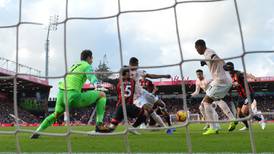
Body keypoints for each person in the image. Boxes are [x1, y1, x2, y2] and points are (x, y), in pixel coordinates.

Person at [31, 50, 111, 139]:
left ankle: (37, 131)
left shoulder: (74, 66)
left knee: (55, 114)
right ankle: (99, 126)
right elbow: (91, 76)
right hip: (72, 95)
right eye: (92, 58)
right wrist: (97, 84)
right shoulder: (86, 65)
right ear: (88, 58)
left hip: (61, 95)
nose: (92, 60)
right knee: (102, 95)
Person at [195, 39, 234, 135]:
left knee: (206, 102)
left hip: (220, 81)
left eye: (197, 48)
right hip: (224, 80)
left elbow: (214, 57)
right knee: (213, 101)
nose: (197, 50)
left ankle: (213, 127)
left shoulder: (209, 52)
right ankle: (231, 120)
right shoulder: (207, 53)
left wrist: (225, 66)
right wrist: (205, 62)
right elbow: (212, 60)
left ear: (201, 46)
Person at [129, 57, 171, 128]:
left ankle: (165, 120)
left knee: (161, 104)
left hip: (143, 92)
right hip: (136, 97)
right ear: (132, 64)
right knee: (149, 110)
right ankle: (166, 128)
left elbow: (150, 76)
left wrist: (164, 76)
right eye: (137, 64)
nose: (138, 65)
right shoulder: (125, 72)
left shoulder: (139, 71)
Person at [223, 62, 266, 130]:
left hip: (248, 94)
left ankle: (260, 119)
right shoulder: (229, 77)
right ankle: (247, 127)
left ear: (228, 69)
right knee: (239, 114)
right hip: (241, 96)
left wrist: (254, 78)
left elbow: (246, 74)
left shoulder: (238, 74)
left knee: (244, 112)